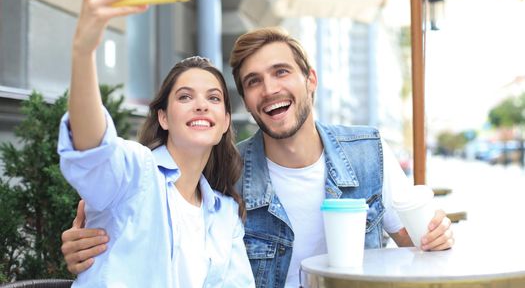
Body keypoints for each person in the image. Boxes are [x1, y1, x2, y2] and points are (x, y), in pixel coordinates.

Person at [61, 27, 454, 287]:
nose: (269, 89)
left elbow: (415, 250)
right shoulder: (226, 176)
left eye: (281, 72)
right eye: (253, 82)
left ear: (310, 80)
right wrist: (95, 236)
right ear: (246, 103)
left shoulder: (368, 152)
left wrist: (436, 239)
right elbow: (106, 164)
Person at [58, 0, 254, 287]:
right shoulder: (137, 173)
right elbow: (93, 149)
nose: (202, 105)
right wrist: (84, 49)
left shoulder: (225, 213)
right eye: (185, 97)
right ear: (163, 117)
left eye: (214, 98)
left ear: (224, 124)